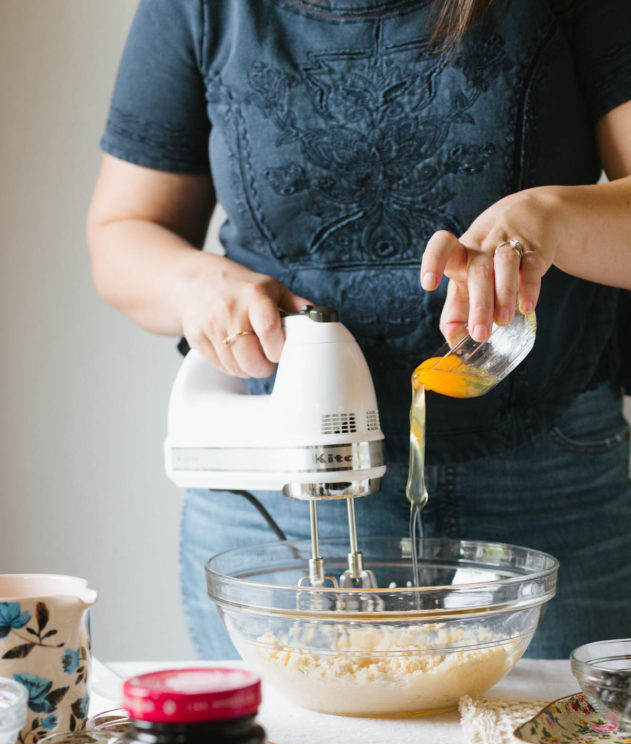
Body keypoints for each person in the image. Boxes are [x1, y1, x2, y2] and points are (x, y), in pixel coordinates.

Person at [87, 0, 631, 660]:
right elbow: (121, 234)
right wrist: (194, 285)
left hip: (547, 477)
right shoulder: (196, 9)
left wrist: (551, 215)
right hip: (283, 492)